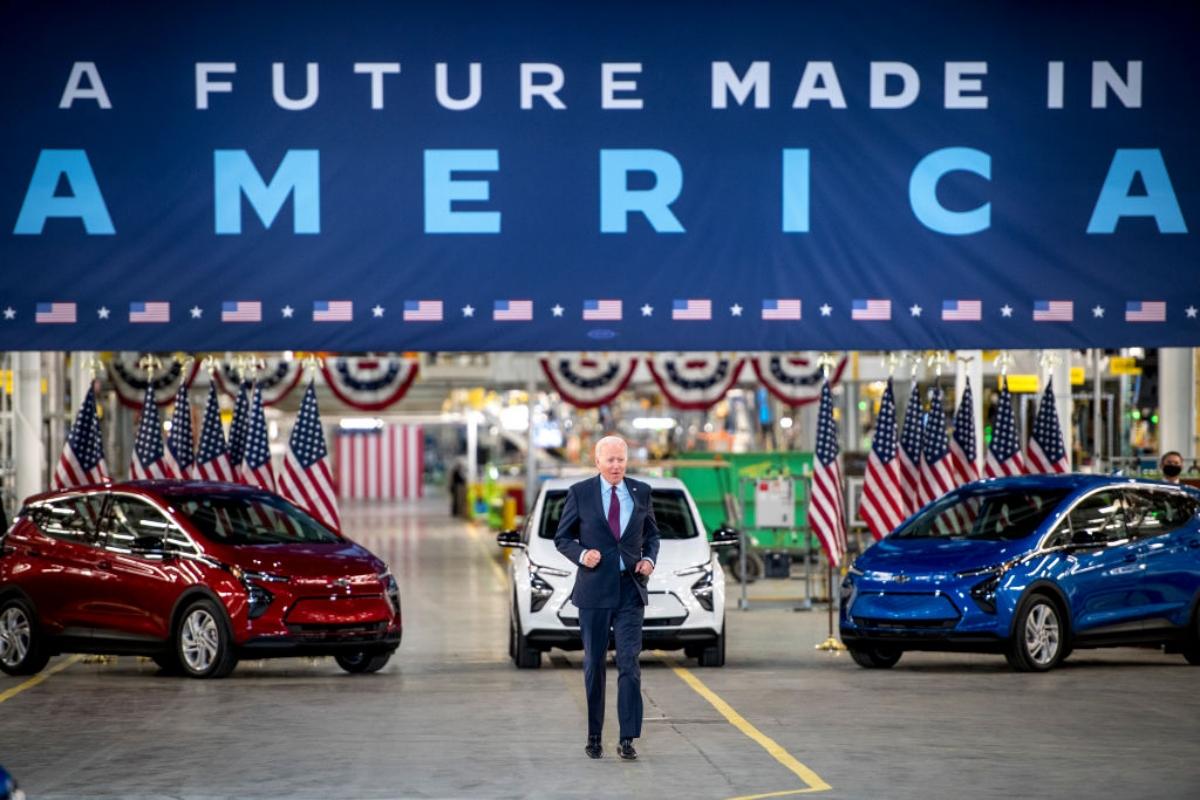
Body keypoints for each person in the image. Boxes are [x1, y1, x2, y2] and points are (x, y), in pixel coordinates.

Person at [554, 435, 660, 761]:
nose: (616, 466)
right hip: (594, 592)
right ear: (597, 461)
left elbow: (652, 535)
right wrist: (582, 554)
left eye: (621, 460)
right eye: (610, 460)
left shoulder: (641, 492)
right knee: (594, 665)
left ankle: (628, 738)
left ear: (627, 461)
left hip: (630, 589)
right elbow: (563, 537)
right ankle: (594, 735)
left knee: (629, 663)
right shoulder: (580, 493)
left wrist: (649, 560)